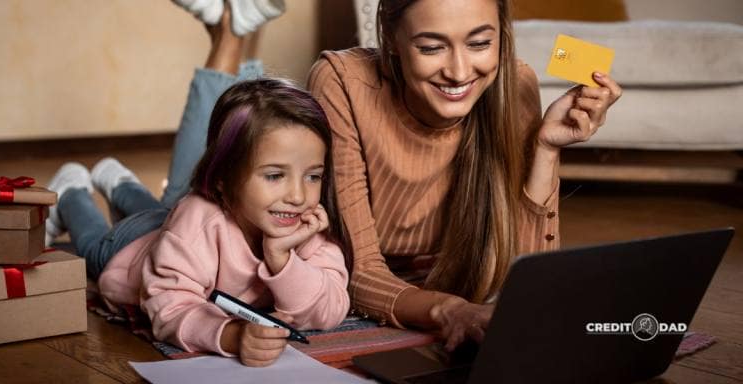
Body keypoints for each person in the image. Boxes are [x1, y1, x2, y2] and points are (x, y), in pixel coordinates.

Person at [44, 6, 350, 367]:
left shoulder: (307, 222)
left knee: (163, 214)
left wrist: (282, 260)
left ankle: (121, 182)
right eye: (274, 176)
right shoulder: (199, 219)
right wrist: (230, 334)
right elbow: (168, 304)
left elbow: (330, 309)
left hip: (171, 230)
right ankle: (71, 194)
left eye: (313, 176)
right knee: (96, 245)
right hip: (133, 247)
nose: (299, 196)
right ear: (222, 180)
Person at [307, 0, 622, 351]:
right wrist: (451, 310)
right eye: (431, 47)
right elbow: (358, 270)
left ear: (501, 36)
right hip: (354, 281)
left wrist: (546, 149)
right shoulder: (342, 81)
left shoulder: (516, 85)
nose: (458, 72)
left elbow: (520, 281)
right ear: (391, 38)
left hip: (453, 281)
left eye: (479, 44)